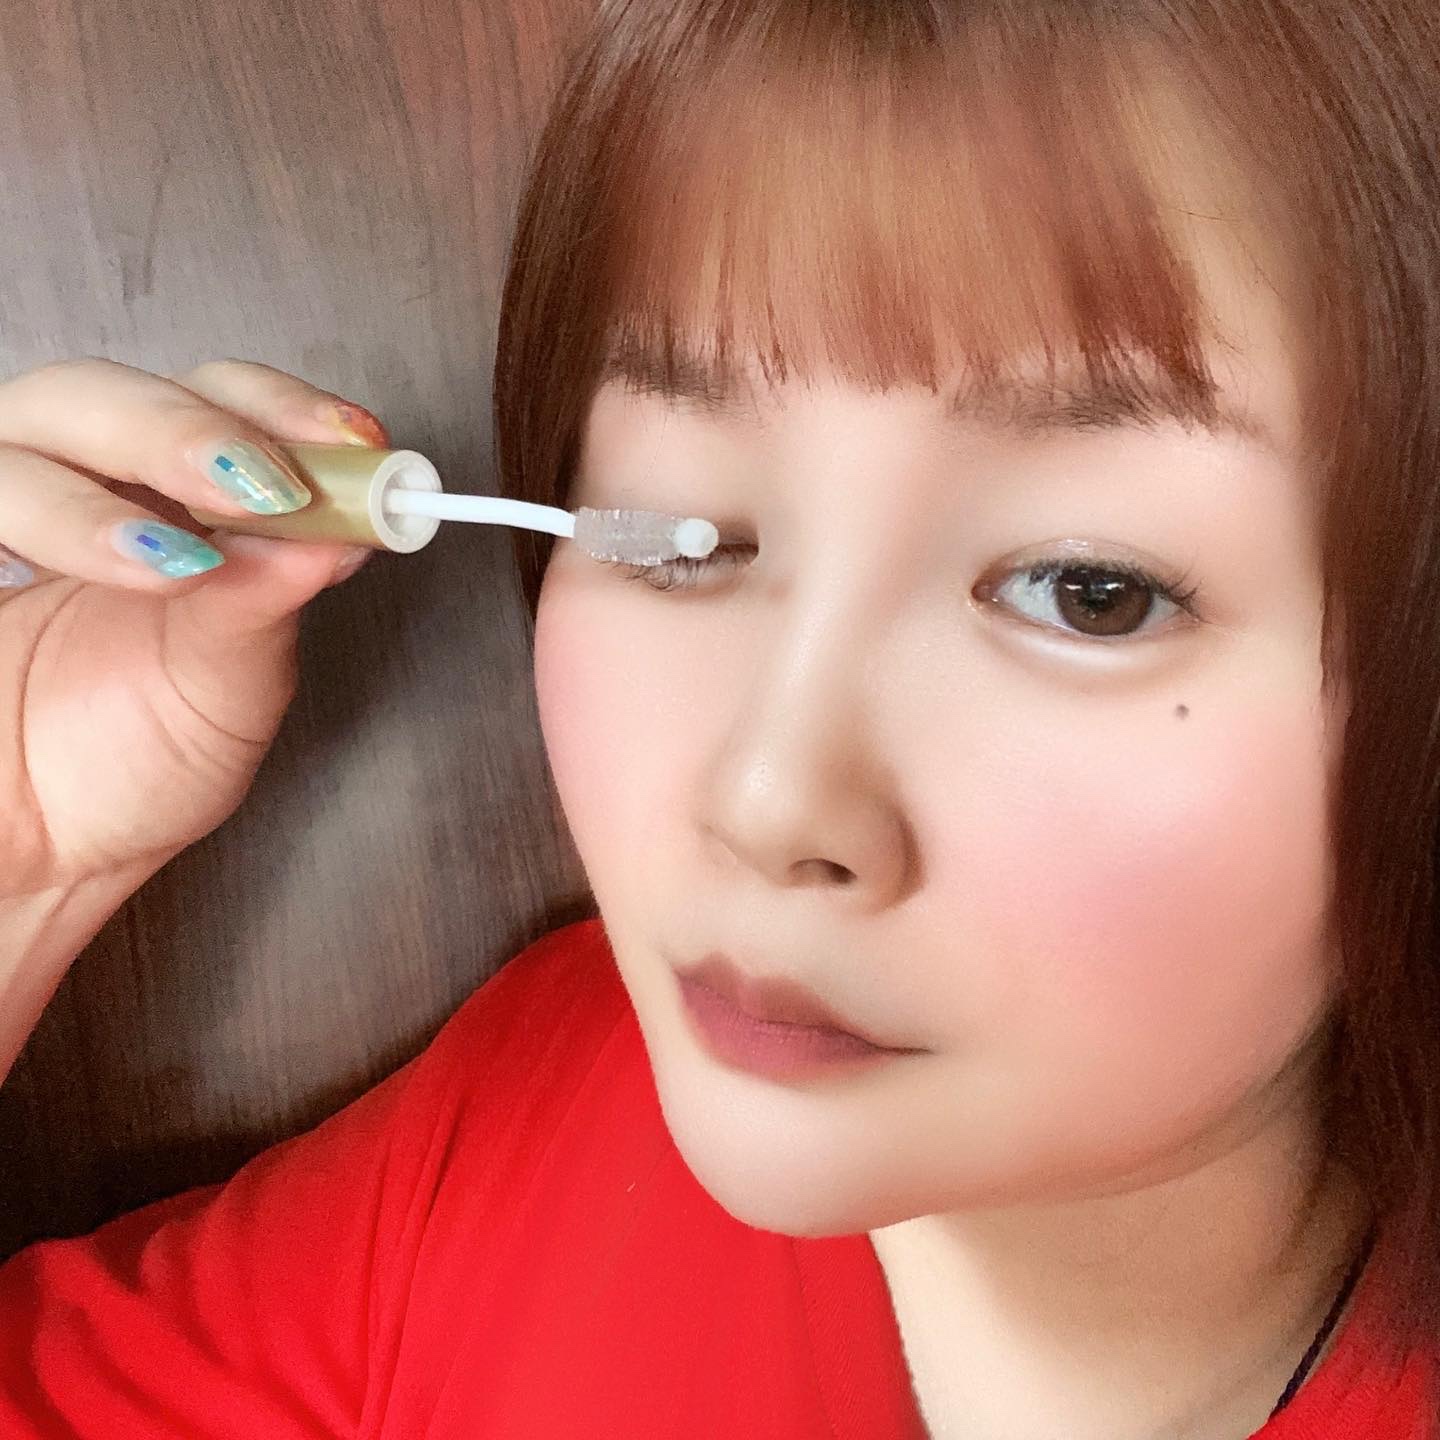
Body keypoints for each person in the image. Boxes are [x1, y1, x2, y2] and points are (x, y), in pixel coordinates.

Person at [1, 0, 1437, 1435]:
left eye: (1092, 595)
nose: (765, 800)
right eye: (684, 536)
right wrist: (25, 867)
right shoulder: (541, 1122)